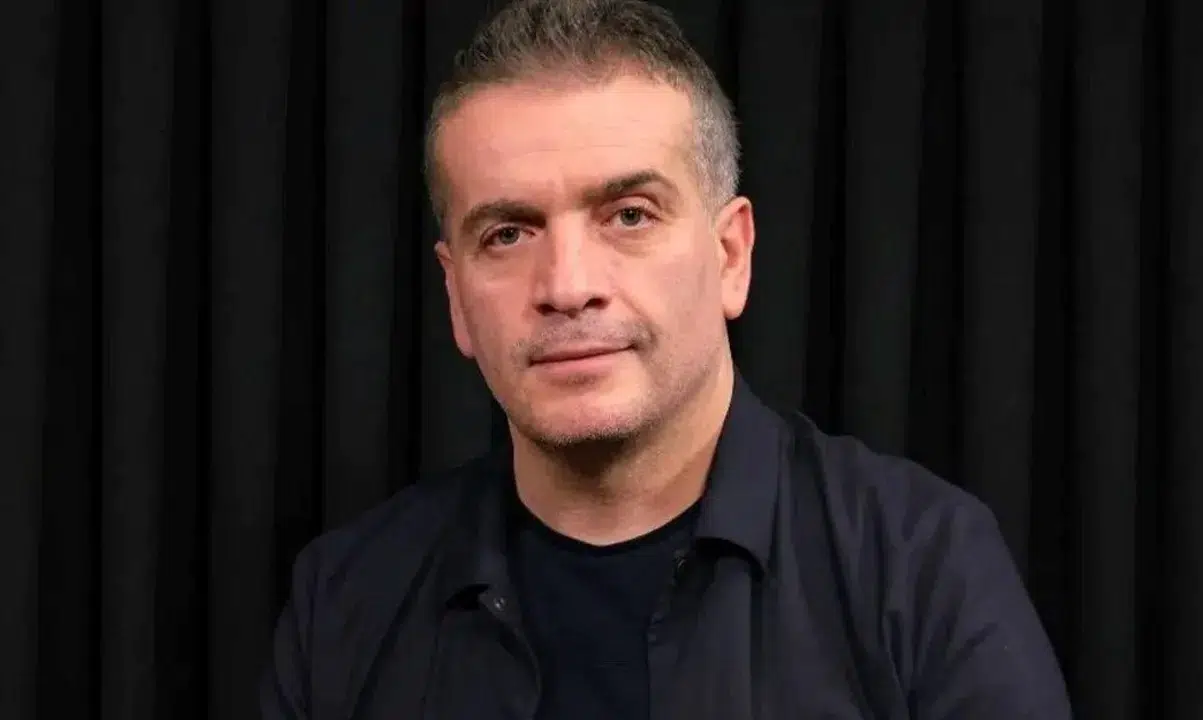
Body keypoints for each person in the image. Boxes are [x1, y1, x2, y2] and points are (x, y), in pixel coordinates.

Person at [261, 0, 1073, 717]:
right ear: (455, 294)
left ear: (731, 256)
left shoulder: (920, 567)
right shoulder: (346, 601)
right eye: (507, 234)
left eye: (629, 215)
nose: (568, 286)